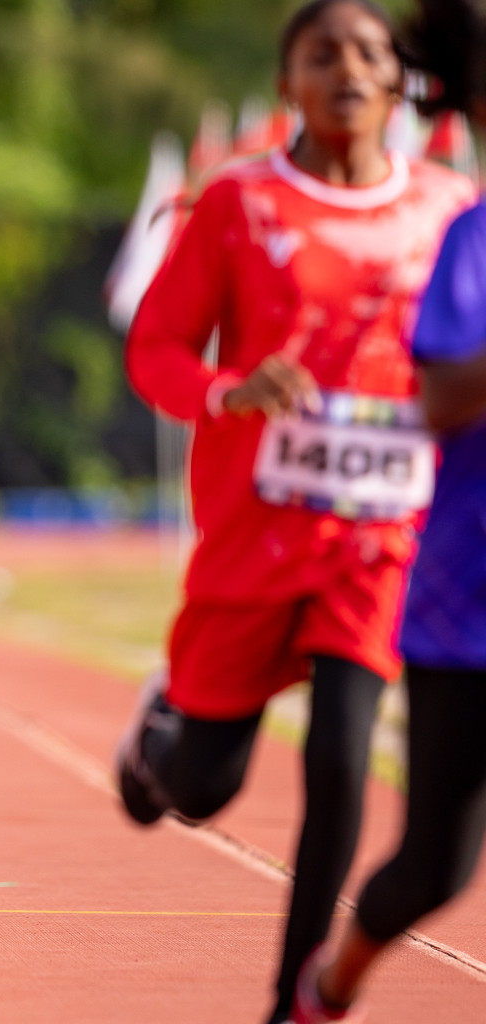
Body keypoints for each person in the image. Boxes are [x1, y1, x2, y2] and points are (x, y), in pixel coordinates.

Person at [110, 3, 476, 1022]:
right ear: (290, 84)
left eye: (371, 53)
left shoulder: (451, 206)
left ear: (401, 82)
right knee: (199, 789)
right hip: (253, 533)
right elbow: (158, 352)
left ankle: (292, 1004)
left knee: (344, 758)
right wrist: (229, 389)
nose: (351, 68)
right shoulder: (239, 203)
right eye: (324, 53)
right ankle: (158, 743)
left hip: (381, 536)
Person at [293, 2, 486, 1019]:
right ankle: (332, 983)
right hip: (467, 604)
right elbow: (446, 397)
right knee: (435, 865)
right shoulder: (471, 238)